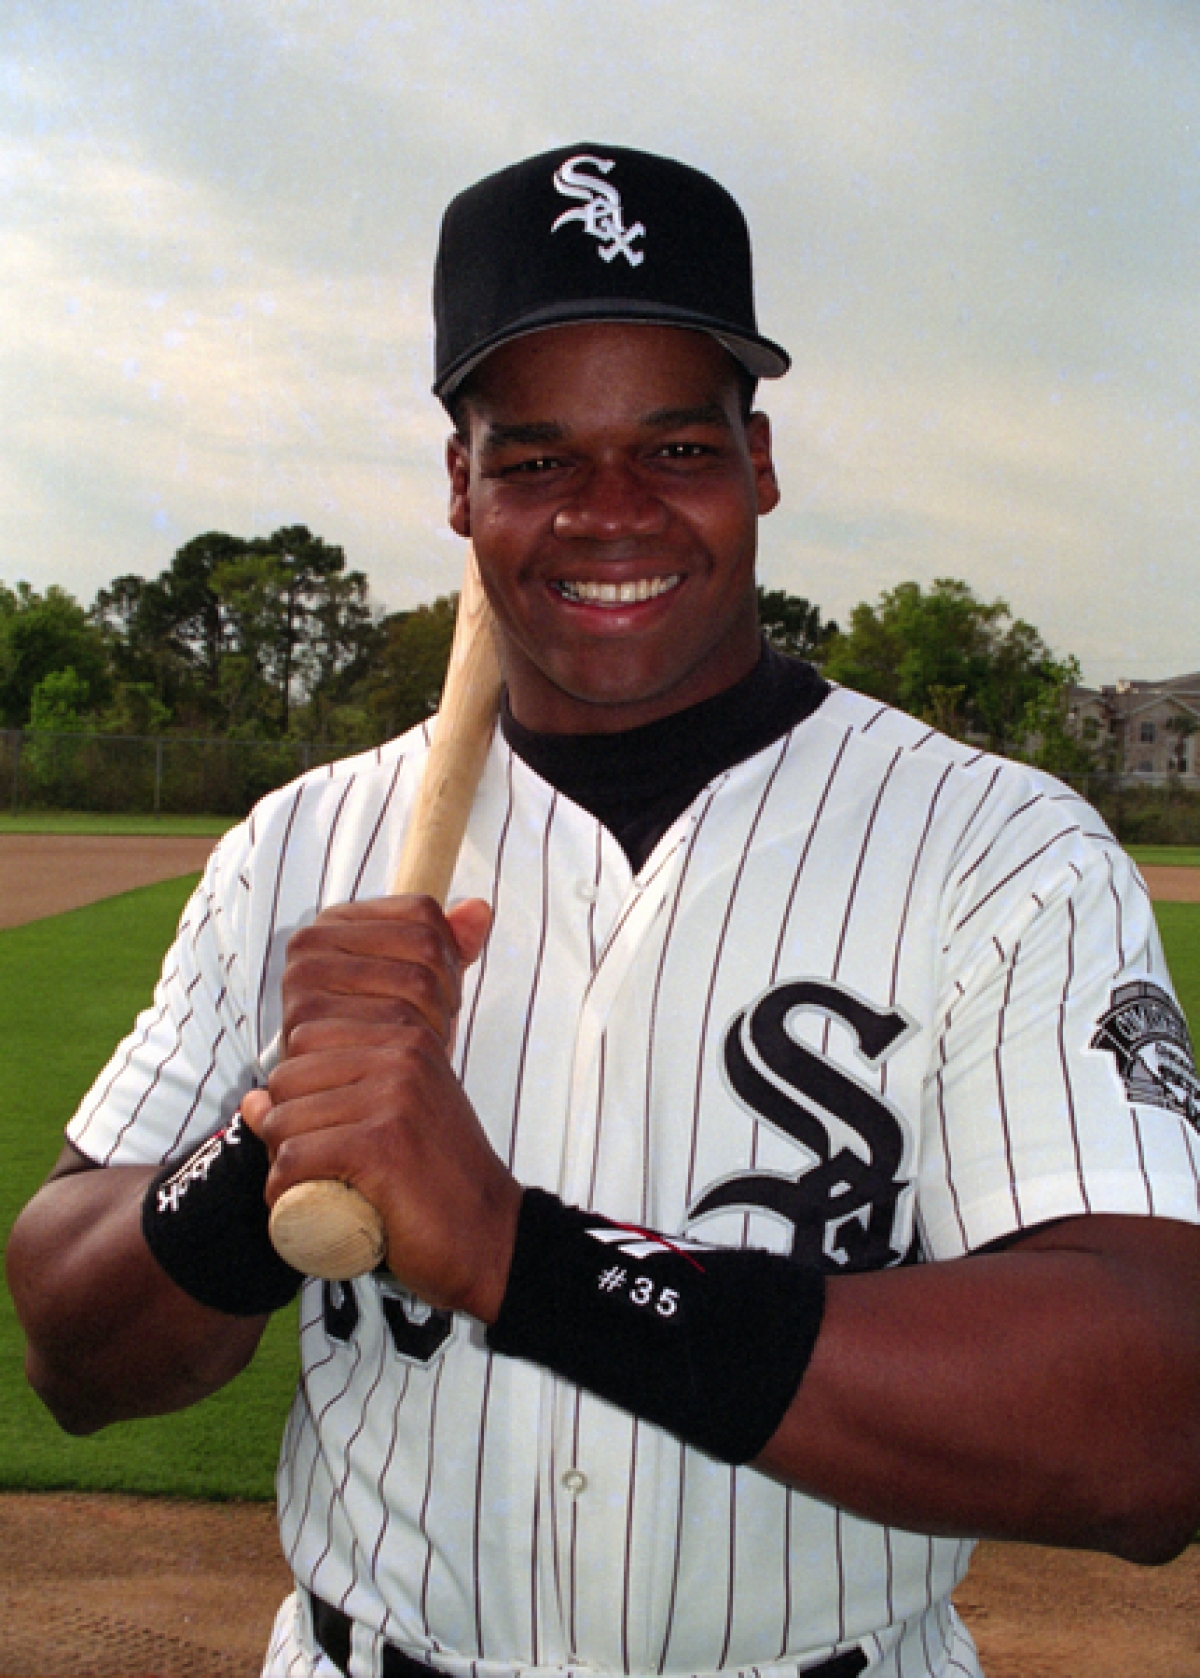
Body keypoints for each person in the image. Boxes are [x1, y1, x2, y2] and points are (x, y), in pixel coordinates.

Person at [9, 143, 1200, 1678]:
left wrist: (524, 1255)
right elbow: (73, 1345)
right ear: (460, 485)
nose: (610, 512)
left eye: (676, 450)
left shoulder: (1002, 851)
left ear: (760, 462)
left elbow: (1156, 1425)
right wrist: (255, 1158)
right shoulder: (301, 844)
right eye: (539, 457)